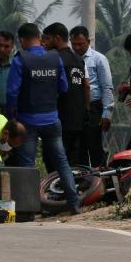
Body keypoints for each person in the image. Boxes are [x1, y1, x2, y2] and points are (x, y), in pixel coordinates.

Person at [6, 23, 80, 214]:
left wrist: (12, 118)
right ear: (39, 37)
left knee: (28, 165)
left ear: (22, 40)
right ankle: (74, 202)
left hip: (28, 120)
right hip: (52, 119)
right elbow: (63, 87)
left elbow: (12, 92)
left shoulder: (20, 59)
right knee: (61, 161)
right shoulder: (55, 57)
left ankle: (30, 209)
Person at [43, 22, 89, 167]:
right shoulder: (79, 59)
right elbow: (86, 86)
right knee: (72, 160)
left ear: (57, 38)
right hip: (77, 120)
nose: (44, 43)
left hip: (59, 118)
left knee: (53, 160)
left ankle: (54, 188)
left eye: (47, 39)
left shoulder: (54, 58)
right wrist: (85, 110)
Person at [71, 26, 114, 167]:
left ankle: (100, 179)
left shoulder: (99, 59)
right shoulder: (69, 59)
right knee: (78, 148)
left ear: (88, 42)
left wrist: (107, 112)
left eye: (80, 44)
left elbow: (106, 86)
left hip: (94, 108)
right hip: (76, 108)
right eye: (74, 44)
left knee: (94, 146)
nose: (77, 47)